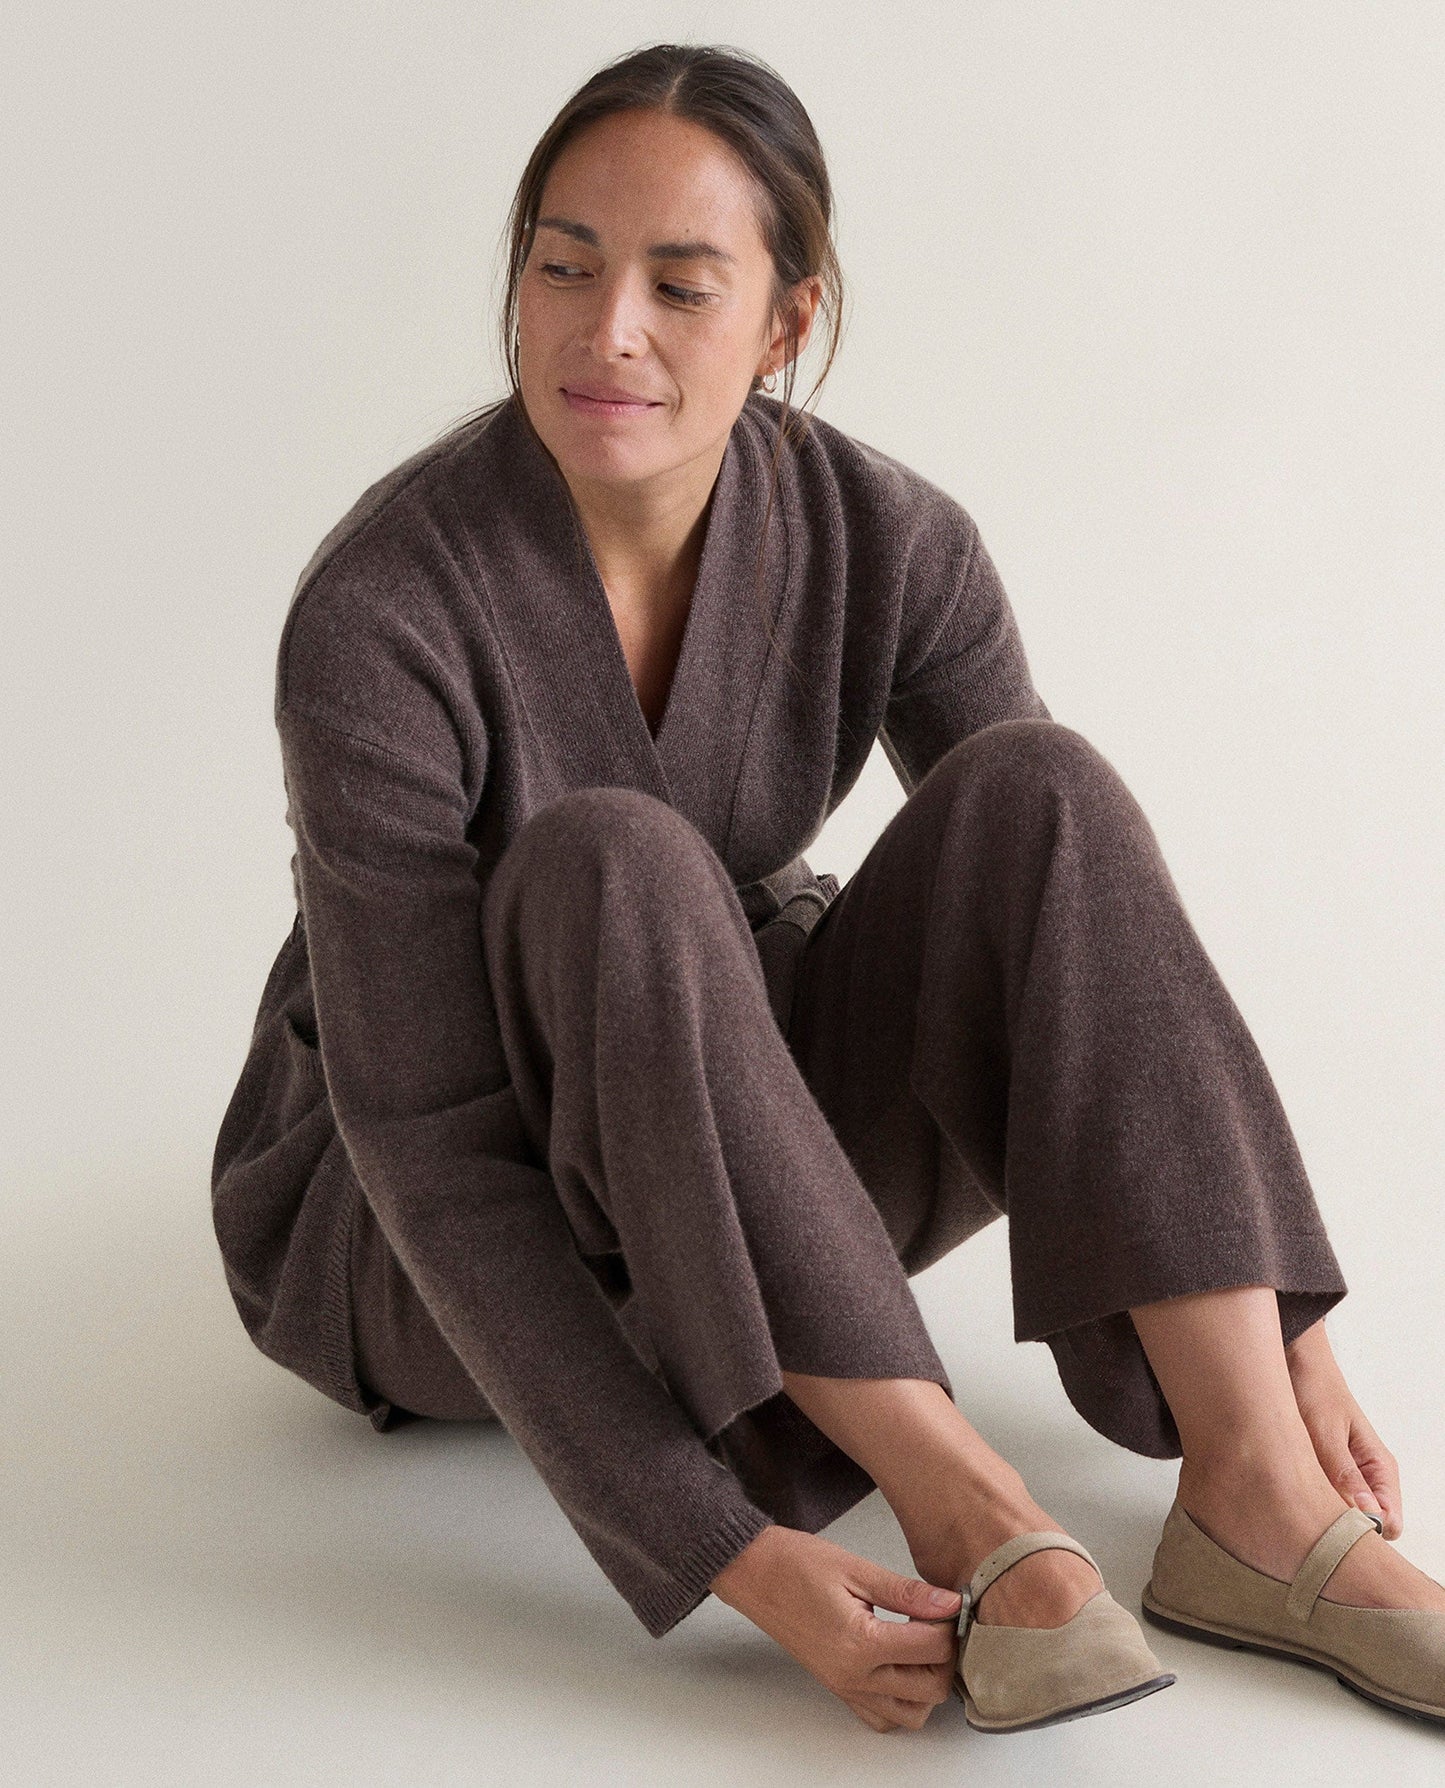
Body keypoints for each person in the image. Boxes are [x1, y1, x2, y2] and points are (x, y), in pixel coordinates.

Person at [211, 42, 1445, 1736]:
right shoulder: (380, 615)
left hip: (735, 1152)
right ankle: (961, 1500)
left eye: (678, 283)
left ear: (786, 322)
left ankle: (1256, 1502)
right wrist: (722, 1544)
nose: (605, 329)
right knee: (611, 858)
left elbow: (1074, 940)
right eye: (562, 265)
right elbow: (426, 1148)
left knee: (1042, 783)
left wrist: (1271, 1327)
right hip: (425, 1232)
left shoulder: (885, 536)